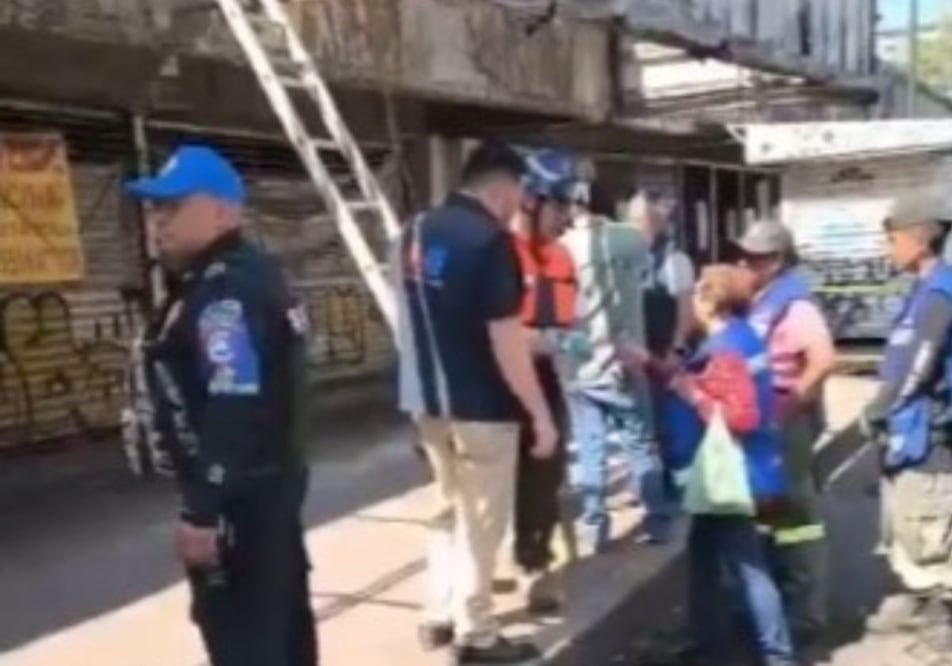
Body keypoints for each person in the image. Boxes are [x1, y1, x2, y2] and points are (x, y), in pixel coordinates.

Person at [126, 145, 318, 666]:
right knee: (280, 638)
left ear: (220, 211)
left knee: (247, 644)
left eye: (172, 207)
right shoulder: (253, 273)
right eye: (156, 208)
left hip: (240, 508)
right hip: (269, 497)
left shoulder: (225, 291)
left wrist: (202, 511)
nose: (158, 221)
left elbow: (233, 397)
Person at [393, 141, 557, 664]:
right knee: (480, 522)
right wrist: (540, 414)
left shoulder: (412, 231)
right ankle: (477, 633)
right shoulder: (491, 242)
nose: (518, 207)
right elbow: (505, 341)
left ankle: (435, 616)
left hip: (426, 403)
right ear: (500, 187)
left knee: (444, 510)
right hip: (482, 408)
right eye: (519, 194)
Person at [658, 264, 795, 666]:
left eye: (699, 291)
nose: (693, 300)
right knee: (704, 555)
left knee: (749, 564)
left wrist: (689, 394)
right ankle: (706, 640)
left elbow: (739, 416)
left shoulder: (725, 349)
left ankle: (777, 653)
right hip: (738, 469)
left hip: (731, 474)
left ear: (710, 299)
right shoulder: (744, 338)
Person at [737, 220, 835, 645]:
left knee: (796, 518)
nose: (746, 262)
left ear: (777, 260)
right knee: (770, 516)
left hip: (785, 424)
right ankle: (774, 604)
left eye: (755, 257)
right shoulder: (759, 300)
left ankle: (806, 614)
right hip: (759, 424)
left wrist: (790, 406)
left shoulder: (795, 305)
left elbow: (823, 359)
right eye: (745, 255)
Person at [560, 179, 672, 551]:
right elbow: (648, 255)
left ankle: (596, 528)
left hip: (581, 364)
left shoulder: (563, 248)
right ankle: (656, 521)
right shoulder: (632, 239)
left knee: (591, 448)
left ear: (574, 207)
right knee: (639, 444)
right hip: (629, 361)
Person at [862, 196, 952, 650]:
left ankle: (945, 626)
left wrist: (880, 407)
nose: (887, 249)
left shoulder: (939, 293)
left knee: (931, 525)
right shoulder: (922, 288)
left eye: (892, 239)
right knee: (909, 524)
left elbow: (920, 366)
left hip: (930, 431)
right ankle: (923, 600)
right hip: (908, 428)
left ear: (919, 239)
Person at [508, 148, 578, 613]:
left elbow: (571, 324)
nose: (567, 217)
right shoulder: (496, 252)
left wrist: (566, 343)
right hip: (493, 385)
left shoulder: (560, 258)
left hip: (545, 379)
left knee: (544, 476)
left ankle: (535, 563)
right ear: (531, 201)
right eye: (559, 205)